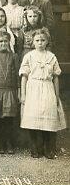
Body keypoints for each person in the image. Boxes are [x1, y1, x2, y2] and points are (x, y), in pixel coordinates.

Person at [19, 29, 66, 159]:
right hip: (33, 88)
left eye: (43, 40)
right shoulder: (29, 56)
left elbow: (56, 77)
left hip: (47, 87)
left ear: (47, 41)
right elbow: (24, 76)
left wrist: (56, 96)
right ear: (33, 42)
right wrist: (23, 94)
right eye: (37, 40)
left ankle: (48, 149)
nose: (40, 43)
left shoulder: (51, 57)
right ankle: (35, 148)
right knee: (33, 118)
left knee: (49, 117)